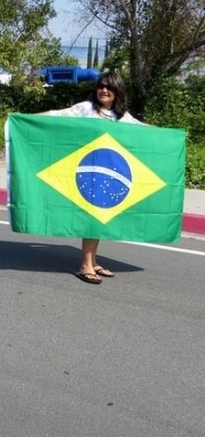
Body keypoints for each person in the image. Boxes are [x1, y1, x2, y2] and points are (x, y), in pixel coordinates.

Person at [43, 70, 142, 285]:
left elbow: (143, 131)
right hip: (86, 172)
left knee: (98, 218)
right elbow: (58, 115)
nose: (104, 90)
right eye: (101, 86)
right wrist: (24, 119)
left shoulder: (121, 116)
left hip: (108, 175)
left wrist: (172, 135)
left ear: (118, 91)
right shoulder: (87, 109)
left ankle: (93, 261)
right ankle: (85, 265)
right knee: (92, 219)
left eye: (109, 87)